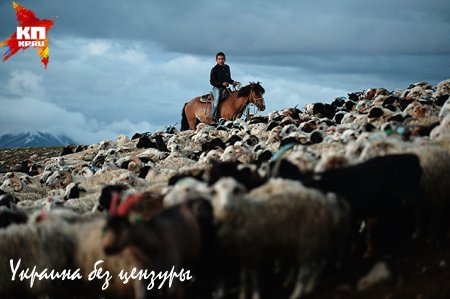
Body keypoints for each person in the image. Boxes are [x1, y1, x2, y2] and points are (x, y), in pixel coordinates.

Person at [209, 52, 240, 124]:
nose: (221, 60)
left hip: (225, 89)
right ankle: (212, 118)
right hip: (217, 88)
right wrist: (222, 83)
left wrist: (233, 82)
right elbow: (212, 82)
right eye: (219, 59)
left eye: (222, 59)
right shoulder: (214, 69)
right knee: (216, 101)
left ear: (225, 59)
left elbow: (229, 79)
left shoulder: (227, 67)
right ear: (216, 60)